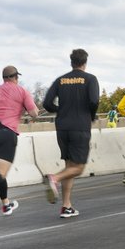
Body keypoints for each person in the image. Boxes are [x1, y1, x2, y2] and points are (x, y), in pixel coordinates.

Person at [43, 49, 100, 218]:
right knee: (79, 168)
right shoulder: (90, 79)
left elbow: (47, 103)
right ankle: (55, 178)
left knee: (70, 165)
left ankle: (66, 206)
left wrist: (61, 110)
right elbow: (94, 101)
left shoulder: (60, 80)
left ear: (71, 62)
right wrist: (90, 115)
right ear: (85, 62)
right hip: (80, 126)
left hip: (62, 127)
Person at [0, 66, 39, 215]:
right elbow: (34, 113)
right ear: (15, 77)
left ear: (3, 78)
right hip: (7, 134)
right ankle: (6, 206)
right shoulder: (22, 91)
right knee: (0, 175)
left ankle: (6, 205)